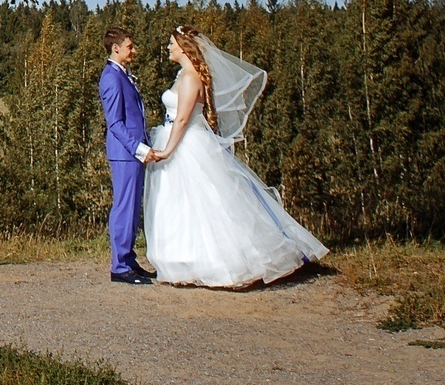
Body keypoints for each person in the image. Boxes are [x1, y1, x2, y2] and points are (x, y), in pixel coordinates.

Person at [141, 24, 326, 288]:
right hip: (177, 139)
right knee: (181, 204)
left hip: (185, 145)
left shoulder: (191, 78)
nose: (169, 47)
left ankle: (216, 263)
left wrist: (168, 150)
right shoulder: (184, 75)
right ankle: (182, 261)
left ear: (184, 47)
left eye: (172, 43)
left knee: (202, 204)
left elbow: (182, 119)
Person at [98, 28, 155, 284]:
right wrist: (140, 149)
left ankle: (129, 260)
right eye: (130, 46)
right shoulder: (111, 77)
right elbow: (115, 124)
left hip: (132, 153)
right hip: (125, 154)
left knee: (132, 209)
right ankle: (119, 266)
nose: (134, 51)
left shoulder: (123, 75)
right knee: (123, 207)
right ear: (116, 48)